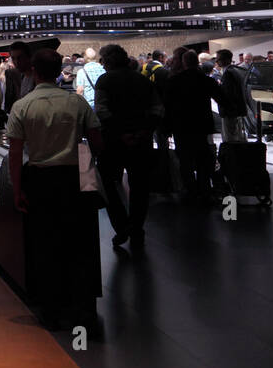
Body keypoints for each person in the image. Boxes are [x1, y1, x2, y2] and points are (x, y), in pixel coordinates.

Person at [7, 50, 106, 331]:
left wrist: (17, 189)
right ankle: (84, 306)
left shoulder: (23, 106)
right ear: (60, 70)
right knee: (82, 242)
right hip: (77, 176)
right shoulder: (76, 102)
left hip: (41, 179)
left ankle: (51, 307)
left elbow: (15, 153)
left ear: (35, 71)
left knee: (46, 242)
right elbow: (96, 142)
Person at [94, 44, 162, 252]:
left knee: (109, 185)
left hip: (113, 142)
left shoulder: (104, 80)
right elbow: (157, 108)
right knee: (140, 187)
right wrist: (143, 131)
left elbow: (101, 110)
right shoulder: (142, 80)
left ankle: (122, 226)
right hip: (141, 142)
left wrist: (121, 133)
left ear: (107, 61)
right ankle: (137, 227)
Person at [166, 49, 223, 200]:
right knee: (203, 157)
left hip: (181, 125)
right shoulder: (206, 80)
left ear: (184, 63)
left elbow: (168, 105)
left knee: (185, 159)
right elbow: (221, 98)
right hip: (201, 125)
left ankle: (190, 189)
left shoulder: (174, 81)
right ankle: (204, 188)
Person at [215, 49, 251, 143]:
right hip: (236, 111)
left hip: (230, 113)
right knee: (237, 136)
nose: (216, 61)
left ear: (226, 60)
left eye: (219, 59)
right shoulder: (235, 70)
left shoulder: (228, 74)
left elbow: (228, 95)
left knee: (230, 139)